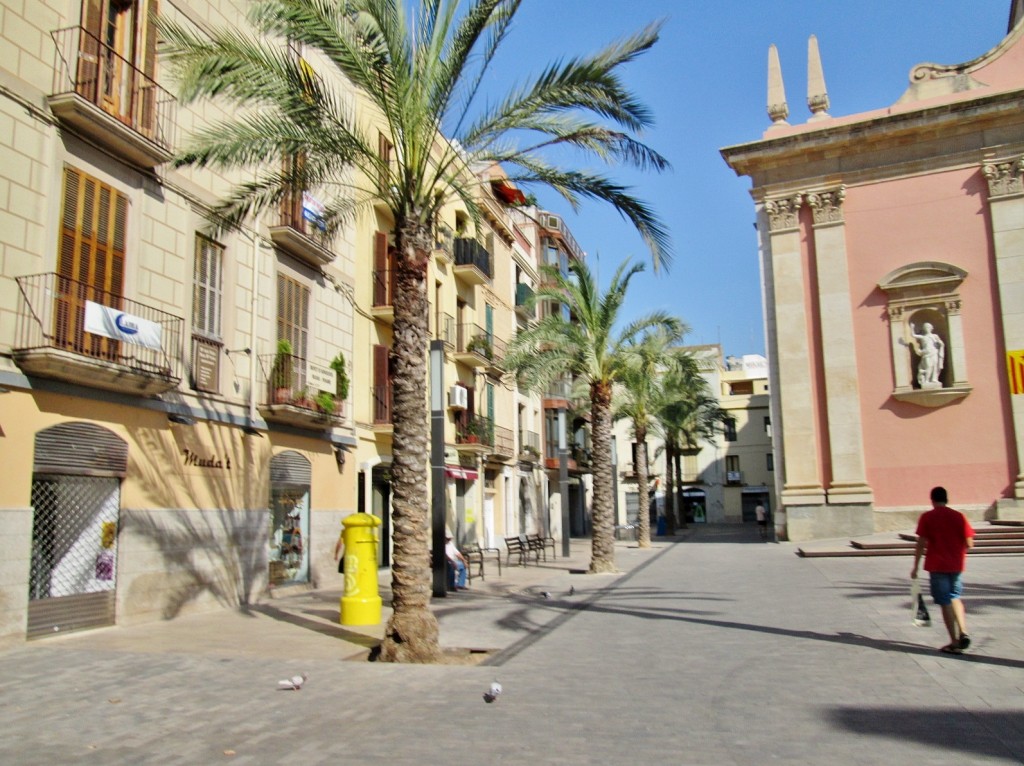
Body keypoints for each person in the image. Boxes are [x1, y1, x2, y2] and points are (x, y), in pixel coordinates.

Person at [910, 486, 975, 654]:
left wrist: (915, 566)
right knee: (955, 597)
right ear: (947, 499)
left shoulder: (927, 517)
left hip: (937, 565)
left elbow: (921, 543)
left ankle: (953, 641)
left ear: (932, 500)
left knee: (944, 601)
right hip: (956, 565)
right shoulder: (959, 516)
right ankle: (963, 631)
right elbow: (969, 543)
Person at [910, 322, 945, 387]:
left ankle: (934, 379)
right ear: (924, 329)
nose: (927, 328)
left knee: (935, 366)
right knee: (929, 366)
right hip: (926, 353)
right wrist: (912, 328)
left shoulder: (935, 336)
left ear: (931, 328)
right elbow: (913, 335)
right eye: (926, 327)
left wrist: (940, 343)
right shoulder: (923, 337)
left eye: (928, 327)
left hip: (934, 352)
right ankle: (926, 380)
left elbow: (940, 343)